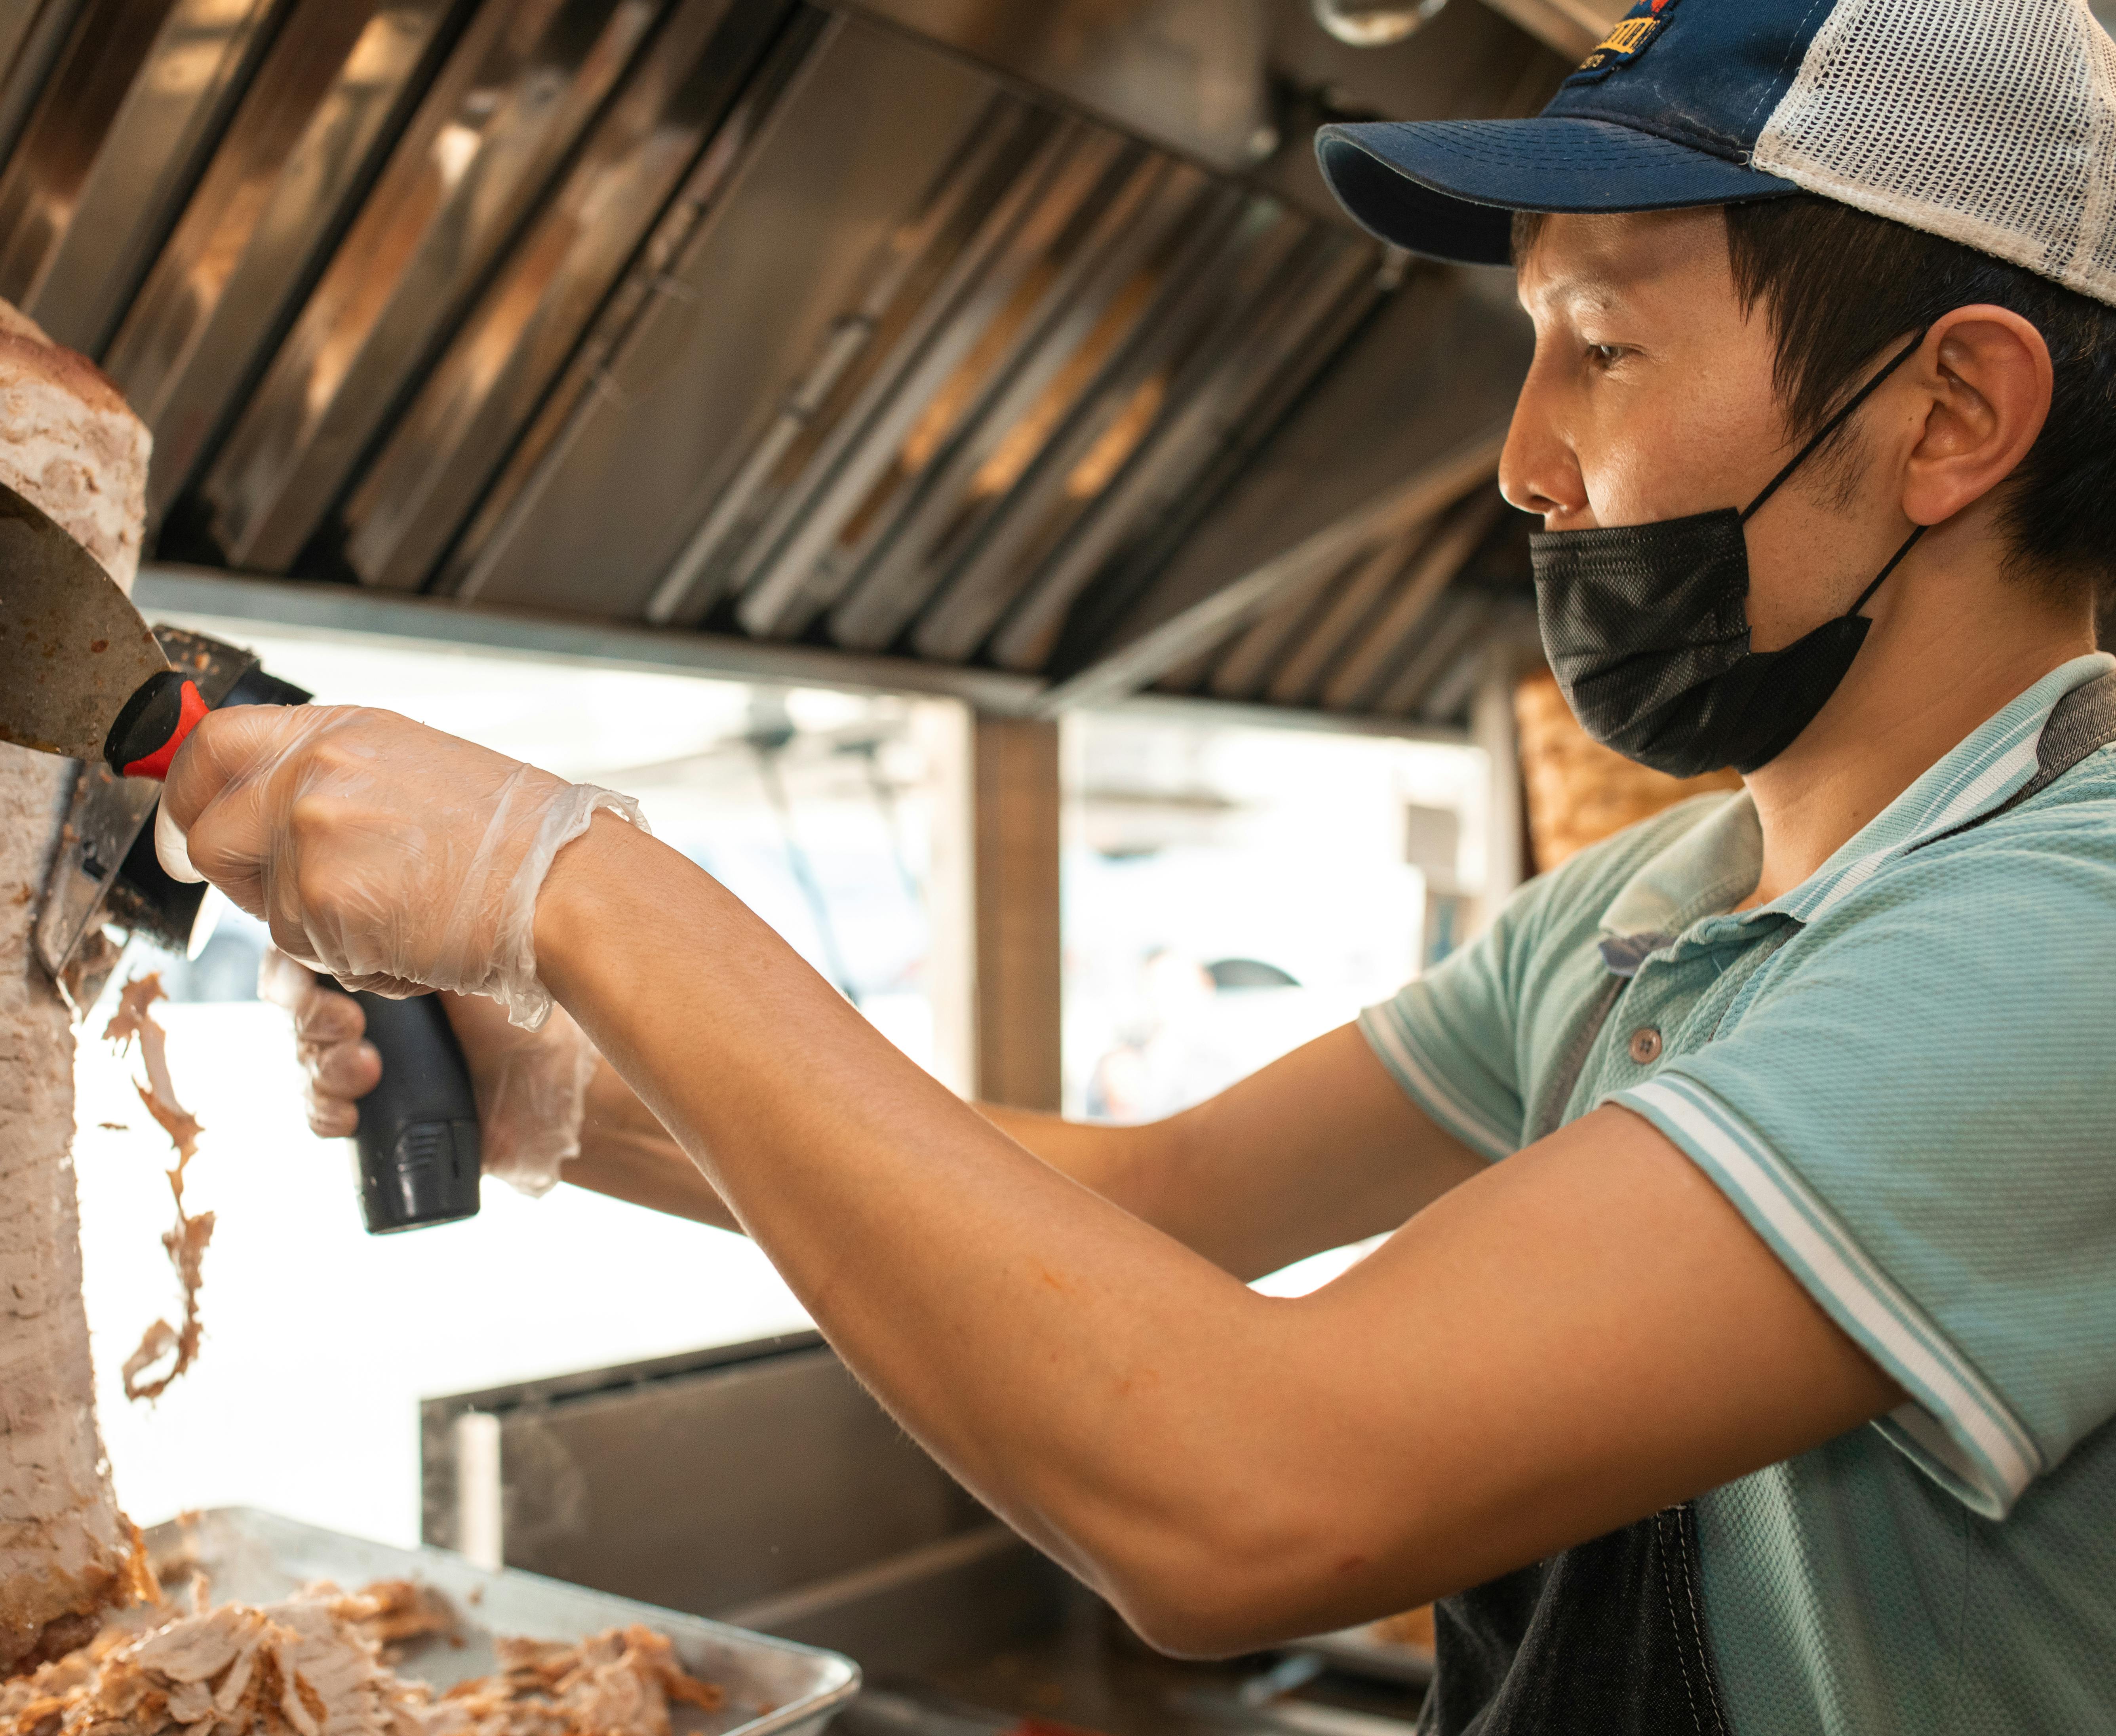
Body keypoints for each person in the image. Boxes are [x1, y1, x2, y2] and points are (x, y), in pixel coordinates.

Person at [171, 2, 2116, 1728]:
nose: (1525, 458)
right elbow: (1165, 1204)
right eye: (1531, 346)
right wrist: (581, 1085)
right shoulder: (1661, 905)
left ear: (1954, 412)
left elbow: (1257, 1492)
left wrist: (575, 888)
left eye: (1601, 345)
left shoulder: (2070, 931)